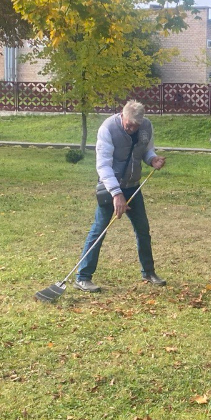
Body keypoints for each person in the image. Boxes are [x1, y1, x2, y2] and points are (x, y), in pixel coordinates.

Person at [74, 100, 166, 293]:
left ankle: (148, 272)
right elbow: (103, 165)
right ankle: (83, 277)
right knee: (99, 230)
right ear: (122, 115)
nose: (132, 128)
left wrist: (153, 159)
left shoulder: (146, 127)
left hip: (133, 186)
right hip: (110, 188)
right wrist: (116, 194)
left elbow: (146, 150)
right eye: (129, 124)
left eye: (136, 125)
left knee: (143, 230)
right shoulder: (108, 128)